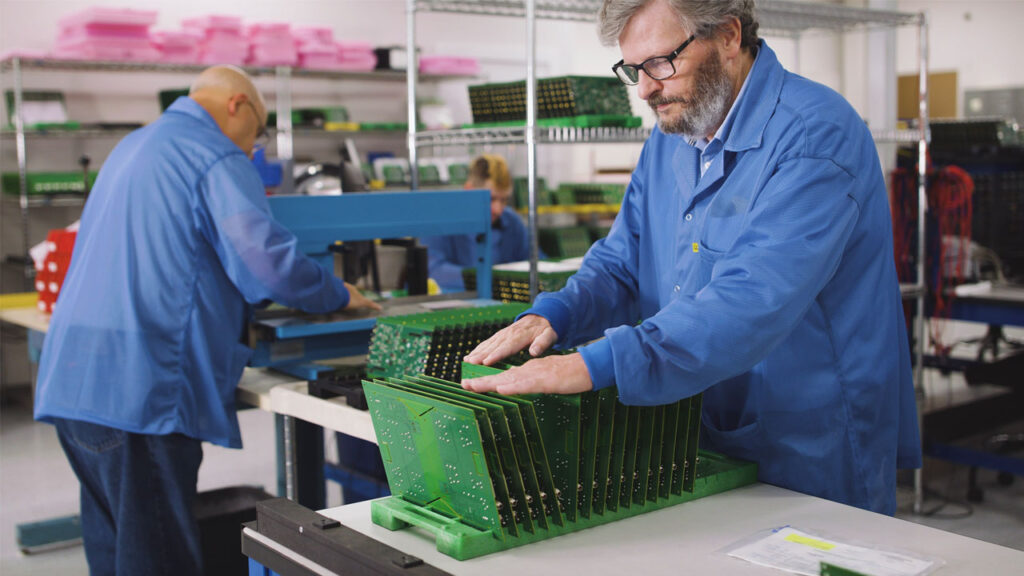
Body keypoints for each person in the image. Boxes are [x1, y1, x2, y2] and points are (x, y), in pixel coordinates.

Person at [463, 0, 921, 515]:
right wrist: (557, 312)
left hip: (811, 436)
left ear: (728, 36)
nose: (644, 89)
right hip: (703, 418)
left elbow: (753, 298)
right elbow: (622, 259)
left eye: (660, 62)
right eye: (633, 70)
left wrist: (602, 362)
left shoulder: (814, 137)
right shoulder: (674, 137)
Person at [33, 66, 380, 575]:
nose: (253, 150)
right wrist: (339, 293)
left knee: (114, 554)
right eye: (257, 134)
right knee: (157, 560)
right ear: (238, 105)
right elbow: (267, 267)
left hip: (74, 385)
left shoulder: (135, 145)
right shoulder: (214, 152)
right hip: (140, 393)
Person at [420, 154, 531, 292]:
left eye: (504, 200)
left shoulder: (512, 222)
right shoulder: (439, 221)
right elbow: (433, 270)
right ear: (469, 190)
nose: (498, 209)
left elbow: (534, 262)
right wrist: (491, 279)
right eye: (491, 199)